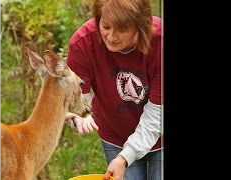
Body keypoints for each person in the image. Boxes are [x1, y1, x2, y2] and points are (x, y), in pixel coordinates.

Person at [65, 0, 163, 180]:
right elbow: (75, 103)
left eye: (121, 29)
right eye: (105, 26)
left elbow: (157, 115)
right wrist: (78, 116)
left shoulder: (160, 44)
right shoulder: (83, 44)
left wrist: (126, 157)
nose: (111, 36)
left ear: (140, 25)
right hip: (115, 135)